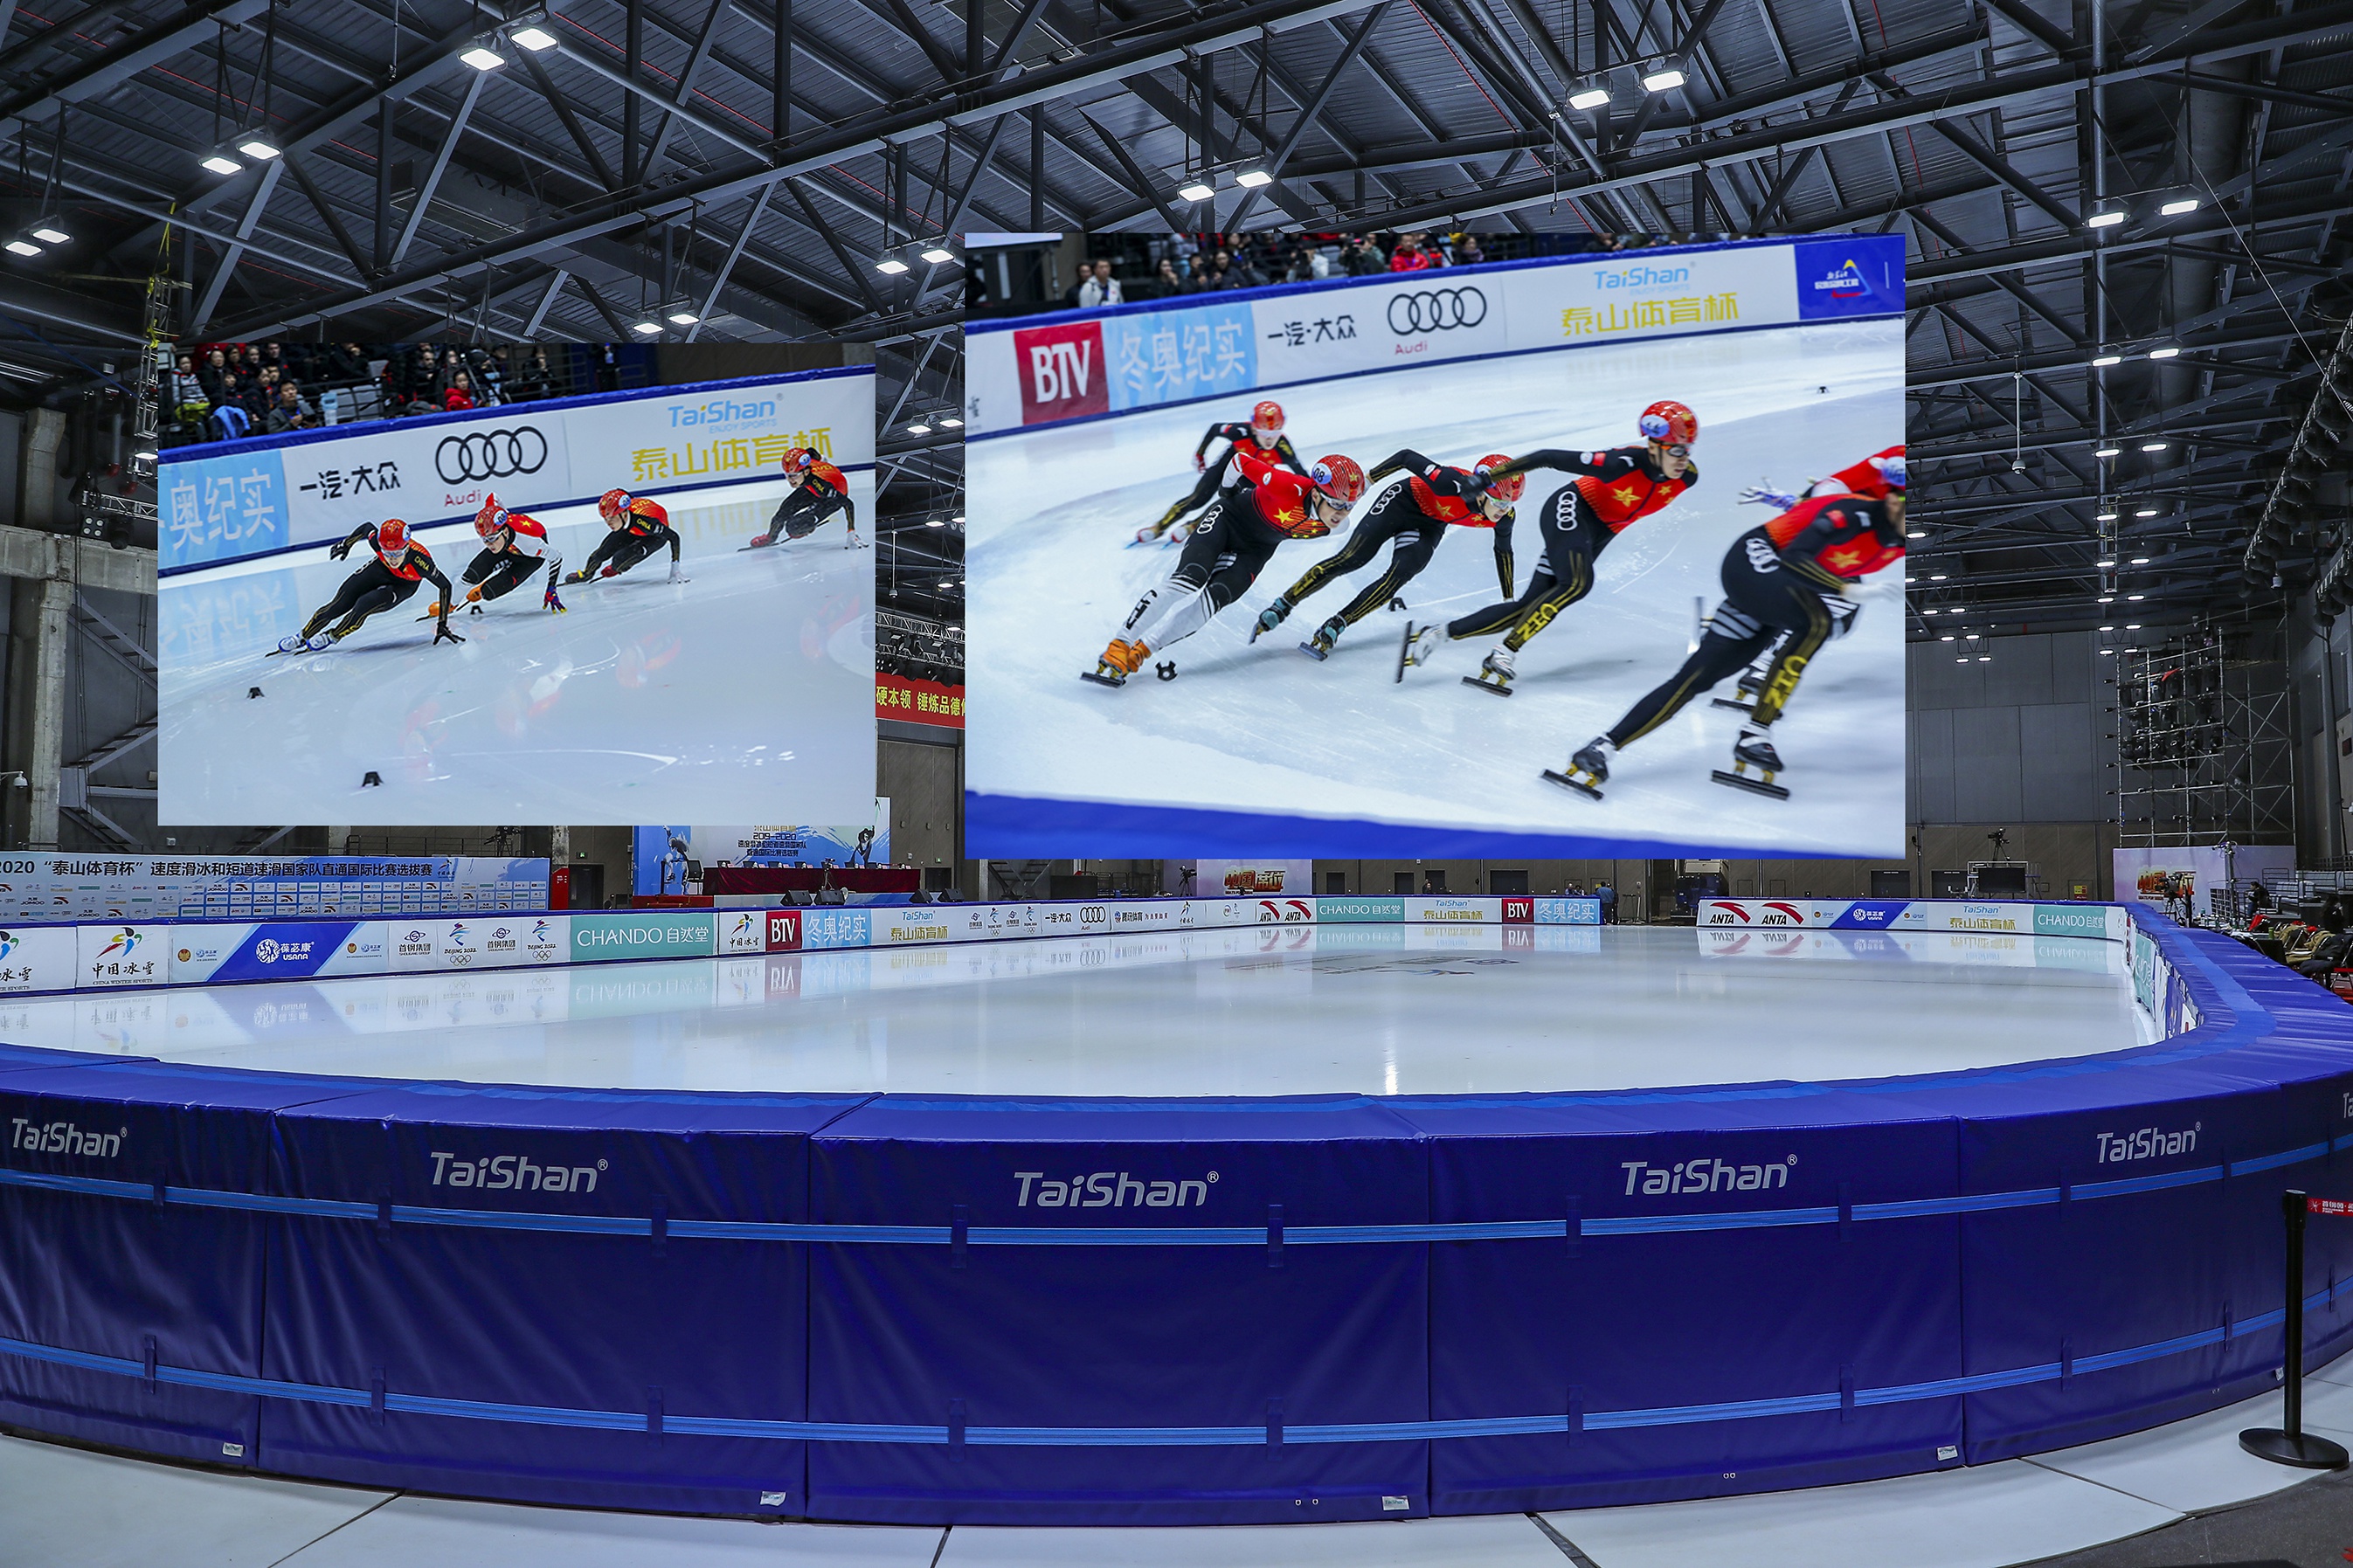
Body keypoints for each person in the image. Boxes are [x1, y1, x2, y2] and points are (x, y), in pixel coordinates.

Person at [1547, 452, 1908, 803]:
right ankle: (1756, 732)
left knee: (1694, 679)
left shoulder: (1900, 537)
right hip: (1754, 562)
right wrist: (1846, 589)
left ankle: (1601, 747)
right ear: (1893, 501)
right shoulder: (1851, 514)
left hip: (1779, 590)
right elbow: (1797, 555)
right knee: (1817, 622)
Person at [1399, 400, 1702, 694]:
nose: (1683, 459)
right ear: (1653, 446)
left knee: (1527, 607)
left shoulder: (1687, 477)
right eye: (1676, 450)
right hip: (1572, 509)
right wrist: (1487, 479)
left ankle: (1439, 633)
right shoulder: (1620, 464)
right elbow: (1547, 456)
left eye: (1687, 449)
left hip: (1600, 532)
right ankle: (1505, 651)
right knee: (1578, 583)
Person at [1087, 446, 1367, 687]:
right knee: (1189, 580)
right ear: (1316, 494)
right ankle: (1119, 644)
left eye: (1350, 506)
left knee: (1212, 603)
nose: (1342, 513)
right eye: (1337, 504)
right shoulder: (1287, 486)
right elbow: (1239, 461)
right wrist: (1227, 491)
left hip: (1256, 550)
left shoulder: (1337, 527)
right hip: (1227, 521)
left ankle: (1141, 651)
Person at [1252, 449, 1524, 661]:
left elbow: (1503, 551)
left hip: (1429, 524)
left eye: (1510, 503)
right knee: (1352, 558)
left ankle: (1338, 623)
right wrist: (1370, 479)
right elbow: (1406, 456)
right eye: (1500, 502)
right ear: (1482, 494)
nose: (1504, 510)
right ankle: (1284, 603)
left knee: (1401, 574)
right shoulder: (1451, 483)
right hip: (1402, 500)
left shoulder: (1504, 518)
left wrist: (1508, 601)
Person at [1136, 400, 1311, 544]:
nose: (1270, 438)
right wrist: (1200, 454)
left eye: (1276, 431)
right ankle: (1158, 527)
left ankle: (1193, 526)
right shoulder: (1239, 432)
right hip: (1226, 465)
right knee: (1198, 498)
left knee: (1227, 503)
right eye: (1264, 431)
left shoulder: (1283, 448)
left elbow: (1303, 477)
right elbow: (1214, 429)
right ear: (1254, 427)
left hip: (1251, 476)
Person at [279, 518, 462, 652]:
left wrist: (442, 623)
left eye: (397, 554)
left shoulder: (421, 562)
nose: (392, 559)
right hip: (379, 570)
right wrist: (346, 544)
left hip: (404, 585)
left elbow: (445, 586)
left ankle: (333, 636)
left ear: (406, 548)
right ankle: (301, 636)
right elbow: (367, 527)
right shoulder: (378, 543)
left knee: (364, 605)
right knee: (337, 605)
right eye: (387, 553)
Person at [438, 492, 565, 616]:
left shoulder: (530, 544)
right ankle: (451, 606)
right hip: (506, 547)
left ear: (505, 532)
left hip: (528, 560)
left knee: (489, 592)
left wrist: (551, 588)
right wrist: (502, 512)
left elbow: (557, 557)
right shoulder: (496, 529)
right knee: (471, 575)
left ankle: (482, 589)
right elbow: (493, 496)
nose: (489, 544)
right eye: (484, 540)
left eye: (492, 539)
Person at [564, 488, 686, 585]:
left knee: (619, 560)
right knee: (601, 553)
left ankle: (616, 568)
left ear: (624, 515)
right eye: (606, 519)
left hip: (655, 537)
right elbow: (621, 493)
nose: (609, 523)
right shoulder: (623, 517)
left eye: (612, 518)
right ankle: (587, 574)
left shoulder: (647, 523)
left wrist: (675, 568)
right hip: (630, 528)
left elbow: (674, 536)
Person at [748, 446, 863, 548]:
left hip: (831, 497)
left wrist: (851, 531)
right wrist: (822, 459)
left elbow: (848, 503)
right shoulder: (804, 464)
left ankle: (808, 524)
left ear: (806, 472)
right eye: (787, 475)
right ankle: (770, 537)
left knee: (794, 528)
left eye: (794, 476)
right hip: (811, 487)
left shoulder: (822, 487)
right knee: (784, 511)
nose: (790, 480)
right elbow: (811, 451)